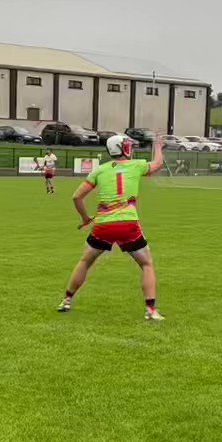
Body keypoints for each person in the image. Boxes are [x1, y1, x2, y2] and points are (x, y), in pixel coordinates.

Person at [58, 133, 165, 321]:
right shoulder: (137, 165)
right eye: (127, 145)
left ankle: (66, 300)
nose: (130, 147)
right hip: (128, 225)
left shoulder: (100, 170)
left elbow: (76, 197)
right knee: (147, 265)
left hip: (103, 226)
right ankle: (151, 310)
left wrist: (85, 218)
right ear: (123, 148)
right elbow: (157, 164)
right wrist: (157, 147)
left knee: (85, 262)